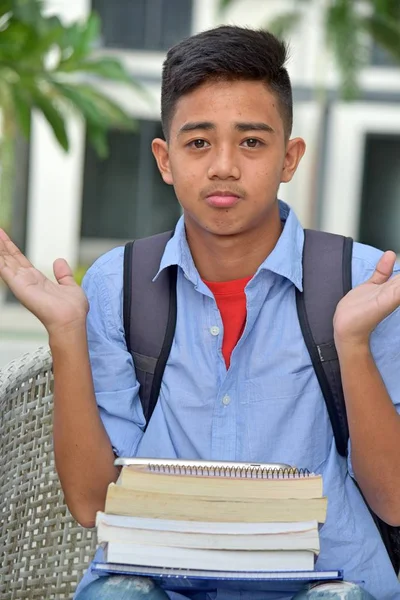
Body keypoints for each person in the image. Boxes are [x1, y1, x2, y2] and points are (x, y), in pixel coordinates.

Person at [1, 24, 400, 600]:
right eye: (198, 142)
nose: (223, 167)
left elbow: (392, 499)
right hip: (156, 583)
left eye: (252, 142)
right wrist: (66, 333)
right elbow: (91, 503)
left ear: (290, 158)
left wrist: (354, 343)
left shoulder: (363, 283)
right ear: (165, 159)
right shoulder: (120, 283)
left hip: (328, 581)